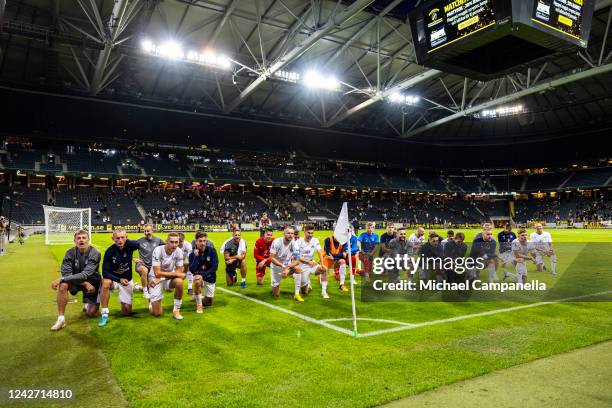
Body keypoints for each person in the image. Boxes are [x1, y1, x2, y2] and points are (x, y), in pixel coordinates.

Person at [50, 230, 101, 331]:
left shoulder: (95, 253)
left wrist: (61, 279)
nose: (81, 240)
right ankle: (61, 319)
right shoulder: (69, 253)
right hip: (79, 283)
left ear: (88, 240)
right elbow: (67, 274)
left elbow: (86, 274)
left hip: (93, 283)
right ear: (75, 241)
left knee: (91, 314)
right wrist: (84, 283)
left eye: (84, 238)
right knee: (63, 285)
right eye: (78, 238)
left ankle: (88, 305)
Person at [99, 228, 140, 327]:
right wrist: (119, 280)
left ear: (126, 238)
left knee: (126, 312)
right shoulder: (110, 251)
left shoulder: (130, 246)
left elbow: (138, 244)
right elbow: (105, 272)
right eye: (117, 238)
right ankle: (104, 313)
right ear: (113, 238)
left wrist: (127, 241)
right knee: (105, 283)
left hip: (127, 280)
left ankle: (134, 287)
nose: (120, 240)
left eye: (122, 237)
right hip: (114, 279)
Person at [150, 232, 186, 319]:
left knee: (179, 282)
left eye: (176, 242)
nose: (174, 245)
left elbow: (179, 273)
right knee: (157, 313)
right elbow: (157, 273)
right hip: (154, 279)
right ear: (166, 241)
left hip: (166, 278)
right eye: (172, 242)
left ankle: (176, 310)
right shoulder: (158, 250)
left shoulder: (179, 252)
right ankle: (151, 301)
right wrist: (176, 274)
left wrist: (162, 279)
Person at [269, 226, 302, 301]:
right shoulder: (276, 242)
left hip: (287, 266)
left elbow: (297, 260)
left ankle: (297, 294)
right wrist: (282, 266)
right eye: (288, 233)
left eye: (292, 233)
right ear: (284, 234)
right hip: (276, 268)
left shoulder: (294, 244)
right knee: (276, 294)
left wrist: (288, 267)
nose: (290, 235)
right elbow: (272, 258)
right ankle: (276, 285)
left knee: (298, 269)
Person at [296, 224, 329, 299]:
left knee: (324, 269)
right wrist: (307, 262)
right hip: (302, 265)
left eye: (312, 233)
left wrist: (322, 264)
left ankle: (324, 292)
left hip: (312, 263)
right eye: (309, 233)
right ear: (304, 232)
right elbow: (297, 257)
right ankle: (308, 283)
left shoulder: (315, 240)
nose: (310, 235)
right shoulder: (298, 242)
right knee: (304, 292)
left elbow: (320, 252)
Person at [189, 231, 218, 313]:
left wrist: (203, 274)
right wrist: (196, 256)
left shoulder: (212, 251)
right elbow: (192, 270)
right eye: (200, 241)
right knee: (197, 282)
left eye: (204, 241)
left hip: (210, 277)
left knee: (209, 302)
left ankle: (197, 295)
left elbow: (214, 267)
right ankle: (199, 306)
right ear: (196, 241)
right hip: (199, 277)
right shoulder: (192, 254)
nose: (202, 243)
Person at [135, 224, 163, 300]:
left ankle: (137, 287)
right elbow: (127, 249)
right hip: (142, 264)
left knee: (152, 287)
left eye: (148, 231)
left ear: (152, 231)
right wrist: (133, 258)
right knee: (144, 270)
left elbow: (166, 248)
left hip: (154, 266)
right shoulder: (139, 241)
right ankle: (145, 292)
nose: (146, 232)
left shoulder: (158, 240)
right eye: (145, 231)